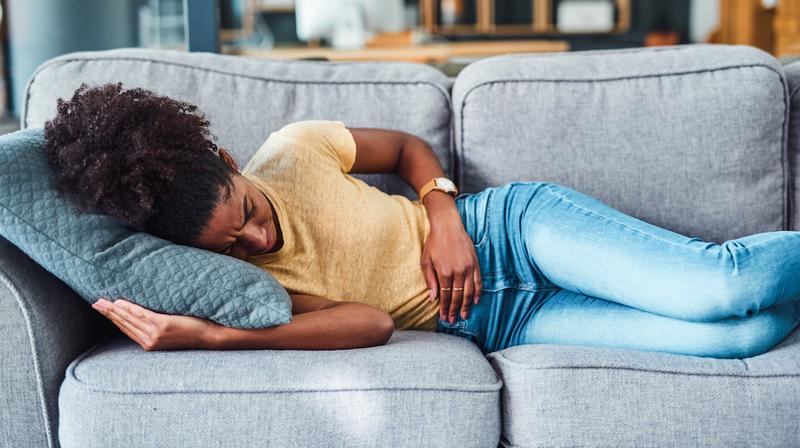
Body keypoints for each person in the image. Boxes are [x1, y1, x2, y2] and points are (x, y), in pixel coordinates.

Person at [44, 83, 800, 358]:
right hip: (500, 324)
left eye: (246, 214)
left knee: (718, 290)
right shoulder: (232, 283)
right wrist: (211, 336)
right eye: (235, 245)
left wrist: (443, 214)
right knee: (738, 336)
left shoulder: (295, 150)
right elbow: (371, 325)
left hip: (510, 229)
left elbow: (407, 147)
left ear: (229, 160)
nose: (258, 240)